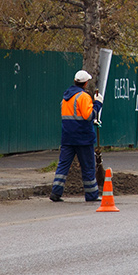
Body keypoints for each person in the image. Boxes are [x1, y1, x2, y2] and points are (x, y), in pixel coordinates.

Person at [50, 69, 103, 202]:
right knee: (88, 167)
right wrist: (98, 104)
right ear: (85, 83)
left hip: (68, 137)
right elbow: (89, 115)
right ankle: (91, 195)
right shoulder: (83, 97)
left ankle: (56, 192)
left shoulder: (66, 97)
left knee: (63, 165)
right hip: (83, 138)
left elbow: (72, 116)